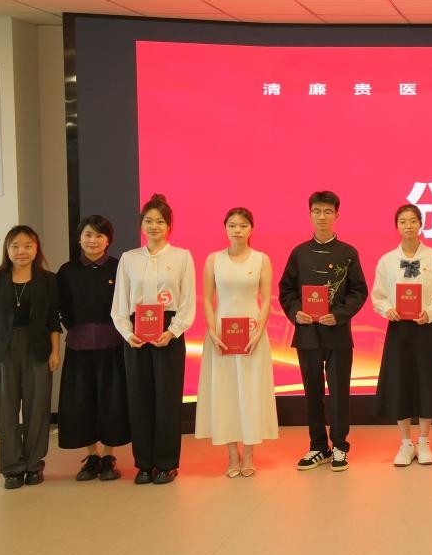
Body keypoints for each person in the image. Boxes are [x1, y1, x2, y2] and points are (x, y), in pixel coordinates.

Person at [277, 190, 368, 473]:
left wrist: (338, 315)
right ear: (309, 215)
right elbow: (286, 290)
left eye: (328, 212)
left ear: (337, 215)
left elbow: (358, 291)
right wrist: (296, 312)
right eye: (317, 211)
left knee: (339, 393)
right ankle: (318, 446)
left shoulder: (348, 253)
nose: (322, 217)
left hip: (337, 334)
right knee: (312, 393)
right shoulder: (299, 253)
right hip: (307, 335)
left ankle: (340, 446)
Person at [111, 194, 196, 484]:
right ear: (141, 225)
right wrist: (128, 333)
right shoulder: (129, 258)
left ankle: (166, 463)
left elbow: (187, 301)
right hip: (136, 334)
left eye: (160, 221)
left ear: (169, 226)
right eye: (148, 221)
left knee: (167, 399)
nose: (154, 226)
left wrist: (173, 331)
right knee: (139, 398)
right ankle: (144, 464)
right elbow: (120, 303)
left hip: (169, 332)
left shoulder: (182, 257)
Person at [0, 225, 61, 489]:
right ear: (7, 249)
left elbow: (53, 319)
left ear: (36, 250)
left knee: (38, 407)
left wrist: (55, 351)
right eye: (15, 246)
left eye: (27, 245)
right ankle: (11, 467)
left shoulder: (48, 280)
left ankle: (34, 464)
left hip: (37, 348)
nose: (21, 251)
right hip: (2, 349)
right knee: (6, 407)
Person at [195, 207, 278, 476]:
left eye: (243, 225)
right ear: (225, 228)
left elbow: (266, 299)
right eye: (232, 225)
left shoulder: (261, 260)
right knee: (225, 392)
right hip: (221, 334)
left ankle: (249, 454)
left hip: (252, 333)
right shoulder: (213, 260)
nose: (237, 230)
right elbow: (207, 299)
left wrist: (259, 330)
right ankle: (232, 454)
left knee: (251, 391)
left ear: (251, 229)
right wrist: (211, 330)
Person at [372, 204, 432, 467]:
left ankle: (424, 441)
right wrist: (387, 309)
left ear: (421, 224)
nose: (408, 226)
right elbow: (378, 295)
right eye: (403, 221)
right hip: (399, 329)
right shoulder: (387, 260)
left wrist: (430, 313)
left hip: (426, 327)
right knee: (400, 383)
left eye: (413, 221)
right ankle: (405, 442)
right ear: (396, 226)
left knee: (427, 383)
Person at [56, 215, 130, 482]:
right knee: (82, 401)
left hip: (113, 345)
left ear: (108, 240)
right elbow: (61, 307)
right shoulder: (67, 271)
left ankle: (109, 456)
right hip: (79, 346)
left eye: (99, 235)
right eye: (88, 235)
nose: (93, 240)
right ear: (79, 238)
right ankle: (92, 456)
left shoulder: (119, 267)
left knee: (112, 401)